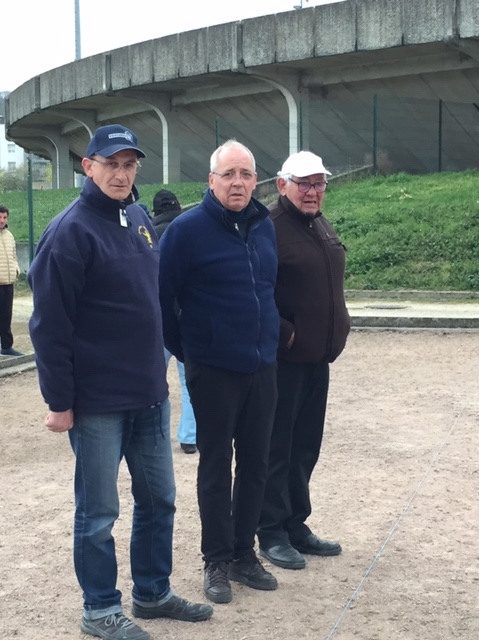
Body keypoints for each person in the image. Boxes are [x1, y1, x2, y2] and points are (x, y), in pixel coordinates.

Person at [28, 124, 213, 640]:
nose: (121, 174)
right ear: (88, 166)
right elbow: (49, 326)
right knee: (99, 512)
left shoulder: (138, 218)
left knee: (159, 500)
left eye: (129, 165)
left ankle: (152, 592)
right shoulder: (69, 232)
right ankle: (100, 609)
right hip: (97, 402)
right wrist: (59, 401)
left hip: (148, 394)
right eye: (111, 164)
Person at [159, 140, 279, 604]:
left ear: (255, 180)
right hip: (213, 369)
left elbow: (267, 289)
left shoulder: (264, 227)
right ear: (211, 181)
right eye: (228, 174)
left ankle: (244, 553)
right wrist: (191, 351)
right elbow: (163, 299)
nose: (237, 183)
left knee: (256, 463)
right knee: (215, 466)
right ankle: (216, 559)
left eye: (245, 174)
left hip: (261, 366)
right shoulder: (186, 231)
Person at [257, 151, 351, 570]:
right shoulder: (268, 227)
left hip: (318, 358)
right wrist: (286, 332)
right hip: (284, 360)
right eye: (304, 183)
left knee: (305, 448)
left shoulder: (319, 223)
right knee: (277, 448)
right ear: (283, 185)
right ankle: (271, 531)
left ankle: (296, 523)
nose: (312, 191)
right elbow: (253, 290)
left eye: (319, 183)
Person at [152, 189, 197, 454]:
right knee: (189, 380)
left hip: (155, 318)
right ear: (178, 206)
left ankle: (152, 437)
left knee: (152, 381)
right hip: (185, 315)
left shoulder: (145, 234)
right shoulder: (188, 231)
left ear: (154, 211)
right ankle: (189, 436)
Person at [0, 205, 23, 357]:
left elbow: (14, 256)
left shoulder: (9, 236)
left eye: (4, 217)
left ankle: (6, 347)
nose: (2, 220)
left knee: (6, 316)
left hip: (8, 283)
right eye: (0, 217)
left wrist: (16, 270)